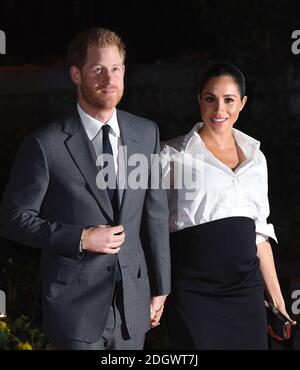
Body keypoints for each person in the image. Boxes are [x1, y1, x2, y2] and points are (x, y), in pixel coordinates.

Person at [0, 28, 170, 350]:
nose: (110, 79)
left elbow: (155, 214)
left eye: (116, 68)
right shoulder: (45, 144)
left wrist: (160, 287)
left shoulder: (146, 133)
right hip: (74, 309)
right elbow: (13, 218)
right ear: (76, 74)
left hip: (132, 307)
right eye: (98, 69)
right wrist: (80, 237)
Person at [161, 62, 296, 350]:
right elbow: (151, 225)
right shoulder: (170, 155)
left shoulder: (256, 159)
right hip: (193, 294)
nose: (219, 109)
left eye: (229, 100)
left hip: (246, 294)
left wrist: (277, 299)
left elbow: (259, 234)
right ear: (199, 100)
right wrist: (157, 290)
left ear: (243, 103)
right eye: (210, 99)